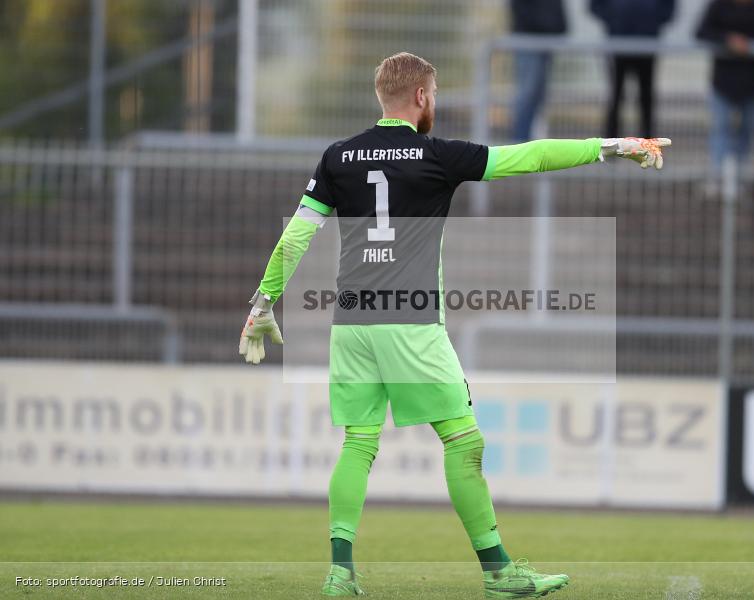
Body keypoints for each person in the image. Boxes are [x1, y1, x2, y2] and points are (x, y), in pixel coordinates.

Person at [238, 52, 671, 598]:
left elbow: (297, 235)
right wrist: (613, 146)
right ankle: (498, 573)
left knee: (358, 445)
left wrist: (263, 302)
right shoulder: (437, 155)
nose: (434, 104)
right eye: (435, 95)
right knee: (464, 443)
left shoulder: (338, 157)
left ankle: (340, 573)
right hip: (410, 321)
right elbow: (531, 156)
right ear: (421, 96)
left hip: (351, 322)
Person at [696, 0, 754, 174]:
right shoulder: (719, 5)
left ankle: (739, 177)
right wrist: (728, 40)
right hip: (723, 81)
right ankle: (719, 176)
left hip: (752, 81)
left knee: (747, 130)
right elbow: (701, 31)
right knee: (721, 129)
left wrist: (745, 44)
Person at [590, 0, 676, 138]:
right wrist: (614, 20)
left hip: (647, 43)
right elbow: (596, 6)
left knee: (646, 96)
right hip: (617, 43)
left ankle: (648, 144)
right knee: (616, 95)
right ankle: (611, 144)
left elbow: (668, 8)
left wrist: (652, 21)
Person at [509, 0, 567, 141]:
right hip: (529, 38)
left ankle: (530, 140)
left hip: (546, 38)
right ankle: (519, 142)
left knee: (538, 96)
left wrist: (559, 27)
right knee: (527, 94)